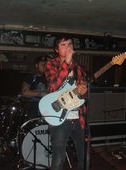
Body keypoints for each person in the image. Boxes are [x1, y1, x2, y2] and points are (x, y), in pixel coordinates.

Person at [44, 34, 88, 170]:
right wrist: (67, 62)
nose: (68, 47)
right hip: (60, 119)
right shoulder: (50, 64)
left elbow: (82, 94)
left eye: (70, 44)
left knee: (84, 157)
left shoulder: (79, 68)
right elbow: (53, 86)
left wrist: (83, 91)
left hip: (79, 117)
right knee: (58, 158)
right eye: (63, 45)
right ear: (56, 49)